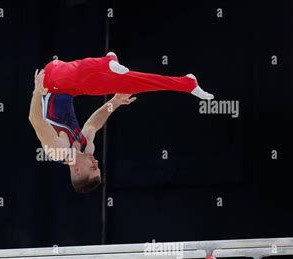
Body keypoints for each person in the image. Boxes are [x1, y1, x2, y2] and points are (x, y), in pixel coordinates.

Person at [28, 52, 214, 193]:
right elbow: (93, 125)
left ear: (76, 171)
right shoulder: (87, 149)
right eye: (98, 166)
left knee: (77, 70)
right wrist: (114, 103)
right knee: (125, 84)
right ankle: (186, 84)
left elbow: (35, 120)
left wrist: (37, 93)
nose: (96, 161)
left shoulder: (57, 150)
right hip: (72, 90)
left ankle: (106, 62)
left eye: (93, 167)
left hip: (50, 82)